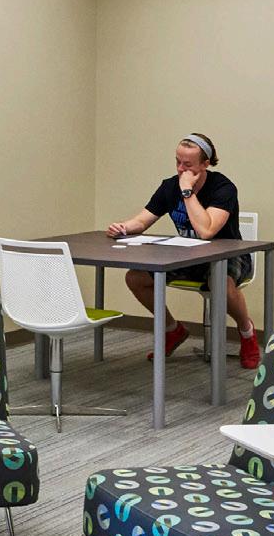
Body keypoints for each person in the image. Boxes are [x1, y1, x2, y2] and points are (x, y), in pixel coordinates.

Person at [106, 132, 260, 369]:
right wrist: (124, 227)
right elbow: (143, 221)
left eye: (187, 165)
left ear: (205, 164)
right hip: (189, 256)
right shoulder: (169, 186)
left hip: (229, 254)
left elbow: (206, 231)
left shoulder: (223, 188)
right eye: (178, 162)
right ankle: (172, 330)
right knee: (135, 278)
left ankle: (247, 332)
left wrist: (187, 191)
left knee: (221, 282)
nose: (180, 169)